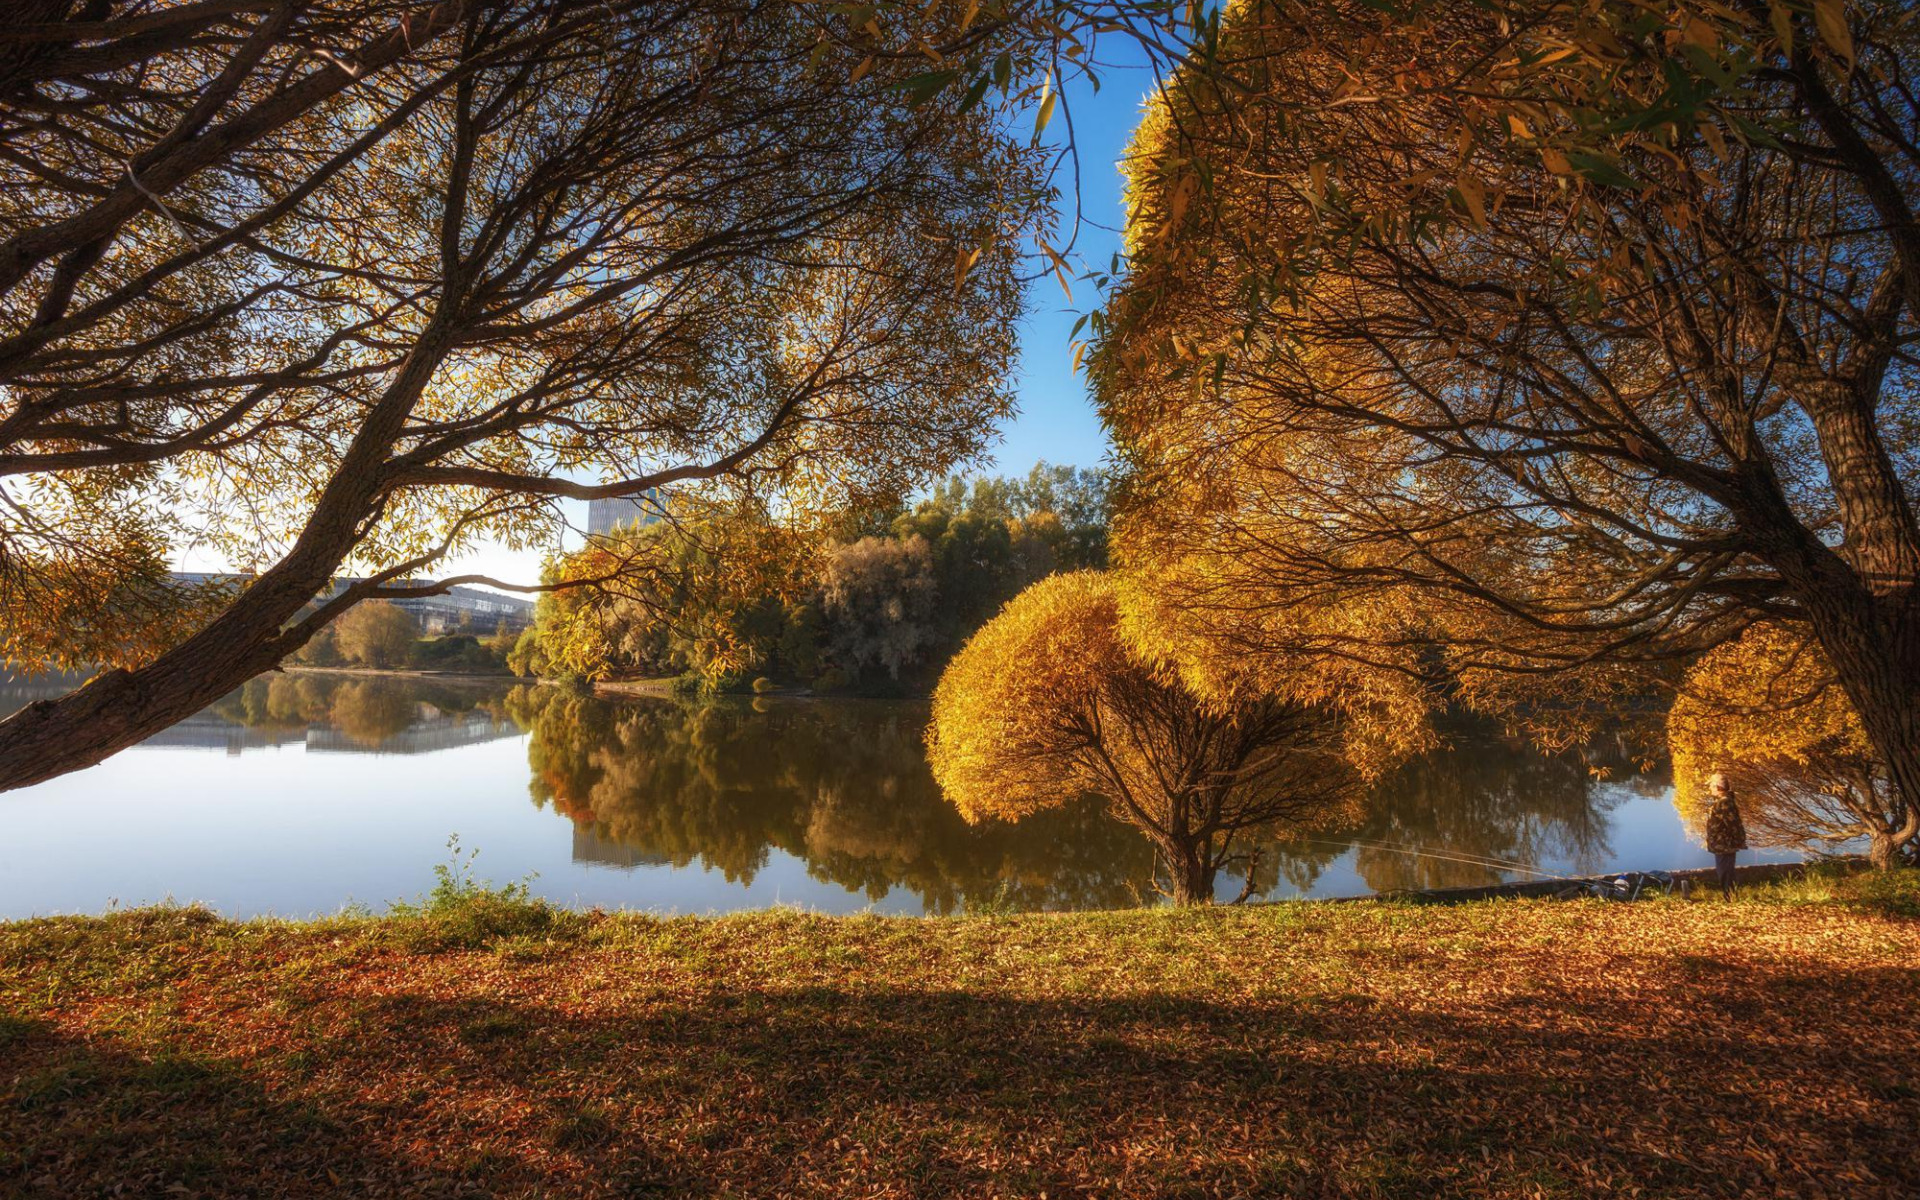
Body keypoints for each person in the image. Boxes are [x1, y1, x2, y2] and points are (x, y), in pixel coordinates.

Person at [1703, 771, 1747, 899]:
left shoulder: (1724, 802)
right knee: (1725, 871)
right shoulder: (1722, 801)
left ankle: (1730, 898)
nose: (1710, 788)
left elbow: (1733, 825)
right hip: (1722, 845)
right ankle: (1730, 897)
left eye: (1711, 786)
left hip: (1725, 845)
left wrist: (1738, 841)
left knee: (1725, 872)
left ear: (1718, 787)